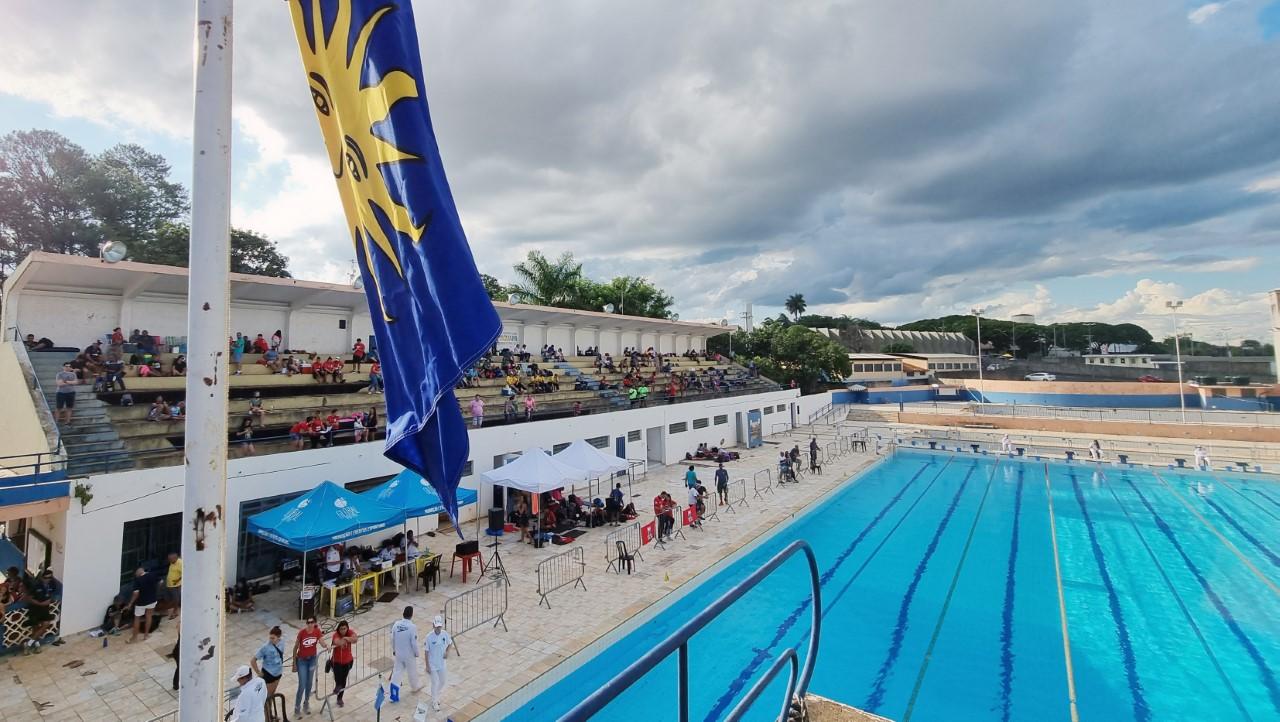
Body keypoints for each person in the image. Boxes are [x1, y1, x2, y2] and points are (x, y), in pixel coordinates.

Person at [292, 616, 324, 716]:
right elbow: (295, 647)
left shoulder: (317, 631)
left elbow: (322, 642)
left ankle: (306, 703)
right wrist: (294, 663)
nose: (310, 624)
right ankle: (297, 708)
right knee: (302, 684)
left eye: (312, 622)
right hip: (302, 660)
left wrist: (327, 646)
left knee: (309, 683)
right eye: (308, 622)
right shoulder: (302, 633)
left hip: (312, 660)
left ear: (315, 623)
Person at [389, 605, 422, 702]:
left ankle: (393, 695)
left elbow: (392, 638)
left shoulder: (396, 624)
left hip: (399, 653)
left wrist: (394, 649)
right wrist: (417, 653)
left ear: (403, 614)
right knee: (412, 672)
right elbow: (414, 642)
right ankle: (415, 687)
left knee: (397, 673)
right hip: (409, 655)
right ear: (411, 615)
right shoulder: (412, 627)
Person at [425, 615, 453, 711]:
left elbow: (450, 643)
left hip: (442, 663)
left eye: (439, 626)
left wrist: (447, 652)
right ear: (433, 625)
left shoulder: (444, 634)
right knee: (434, 682)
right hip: (432, 664)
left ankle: (435, 695)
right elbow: (426, 652)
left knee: (443, 681)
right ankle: (434, 701)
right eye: (436, 626)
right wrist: (427, 666)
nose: (438, 628)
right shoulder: (429, 637)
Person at [127, 567, 160, 643]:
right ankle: (146, 635)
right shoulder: (153, 575)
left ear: (137, 572)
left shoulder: (138, 580)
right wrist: (155, 592)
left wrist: (130, 603)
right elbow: (160, 582)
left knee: (137, 619)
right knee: (149, 616)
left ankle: (134, 638)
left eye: (135, 574)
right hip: (152, 600)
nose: (135, 576)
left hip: (141, 602)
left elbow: (136, 594)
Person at [330, 620, 358, 707]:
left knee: (343, 679)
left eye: (345, 628)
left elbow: (355, 639)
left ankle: (340, 697)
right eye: (341, 629)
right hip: (337, 661)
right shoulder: (336, 634)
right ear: (338, 629)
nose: (343, 630)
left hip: (347, 661)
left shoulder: (349, 632)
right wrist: (346, 639)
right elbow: (337, 642)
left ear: (347, 628)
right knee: (338, 678)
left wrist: (346, 638)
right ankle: (338, 687)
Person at [251, 626, 286, 697]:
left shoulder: (282, 642)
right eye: (270, 637)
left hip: (278, 673)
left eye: (273, 638)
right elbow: (253, 660)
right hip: (268, 674)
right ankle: (267, 708)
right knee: (267, 697)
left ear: (279, 637)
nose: (271, 640)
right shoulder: (265, 647)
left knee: (272, 695)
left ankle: (270, 708)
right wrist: (258, 672)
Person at [163, 552, 182, 620]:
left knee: (175, 598)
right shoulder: (172, 562)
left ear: (175, 558)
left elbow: (184, 573)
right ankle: (166, 610)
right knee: (167, 598)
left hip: (175, 585)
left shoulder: (180, 564)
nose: (169, 560)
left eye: (170, 559)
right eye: (168, 559)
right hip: (169, 584)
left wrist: (177, 581)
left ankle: (175, 612)